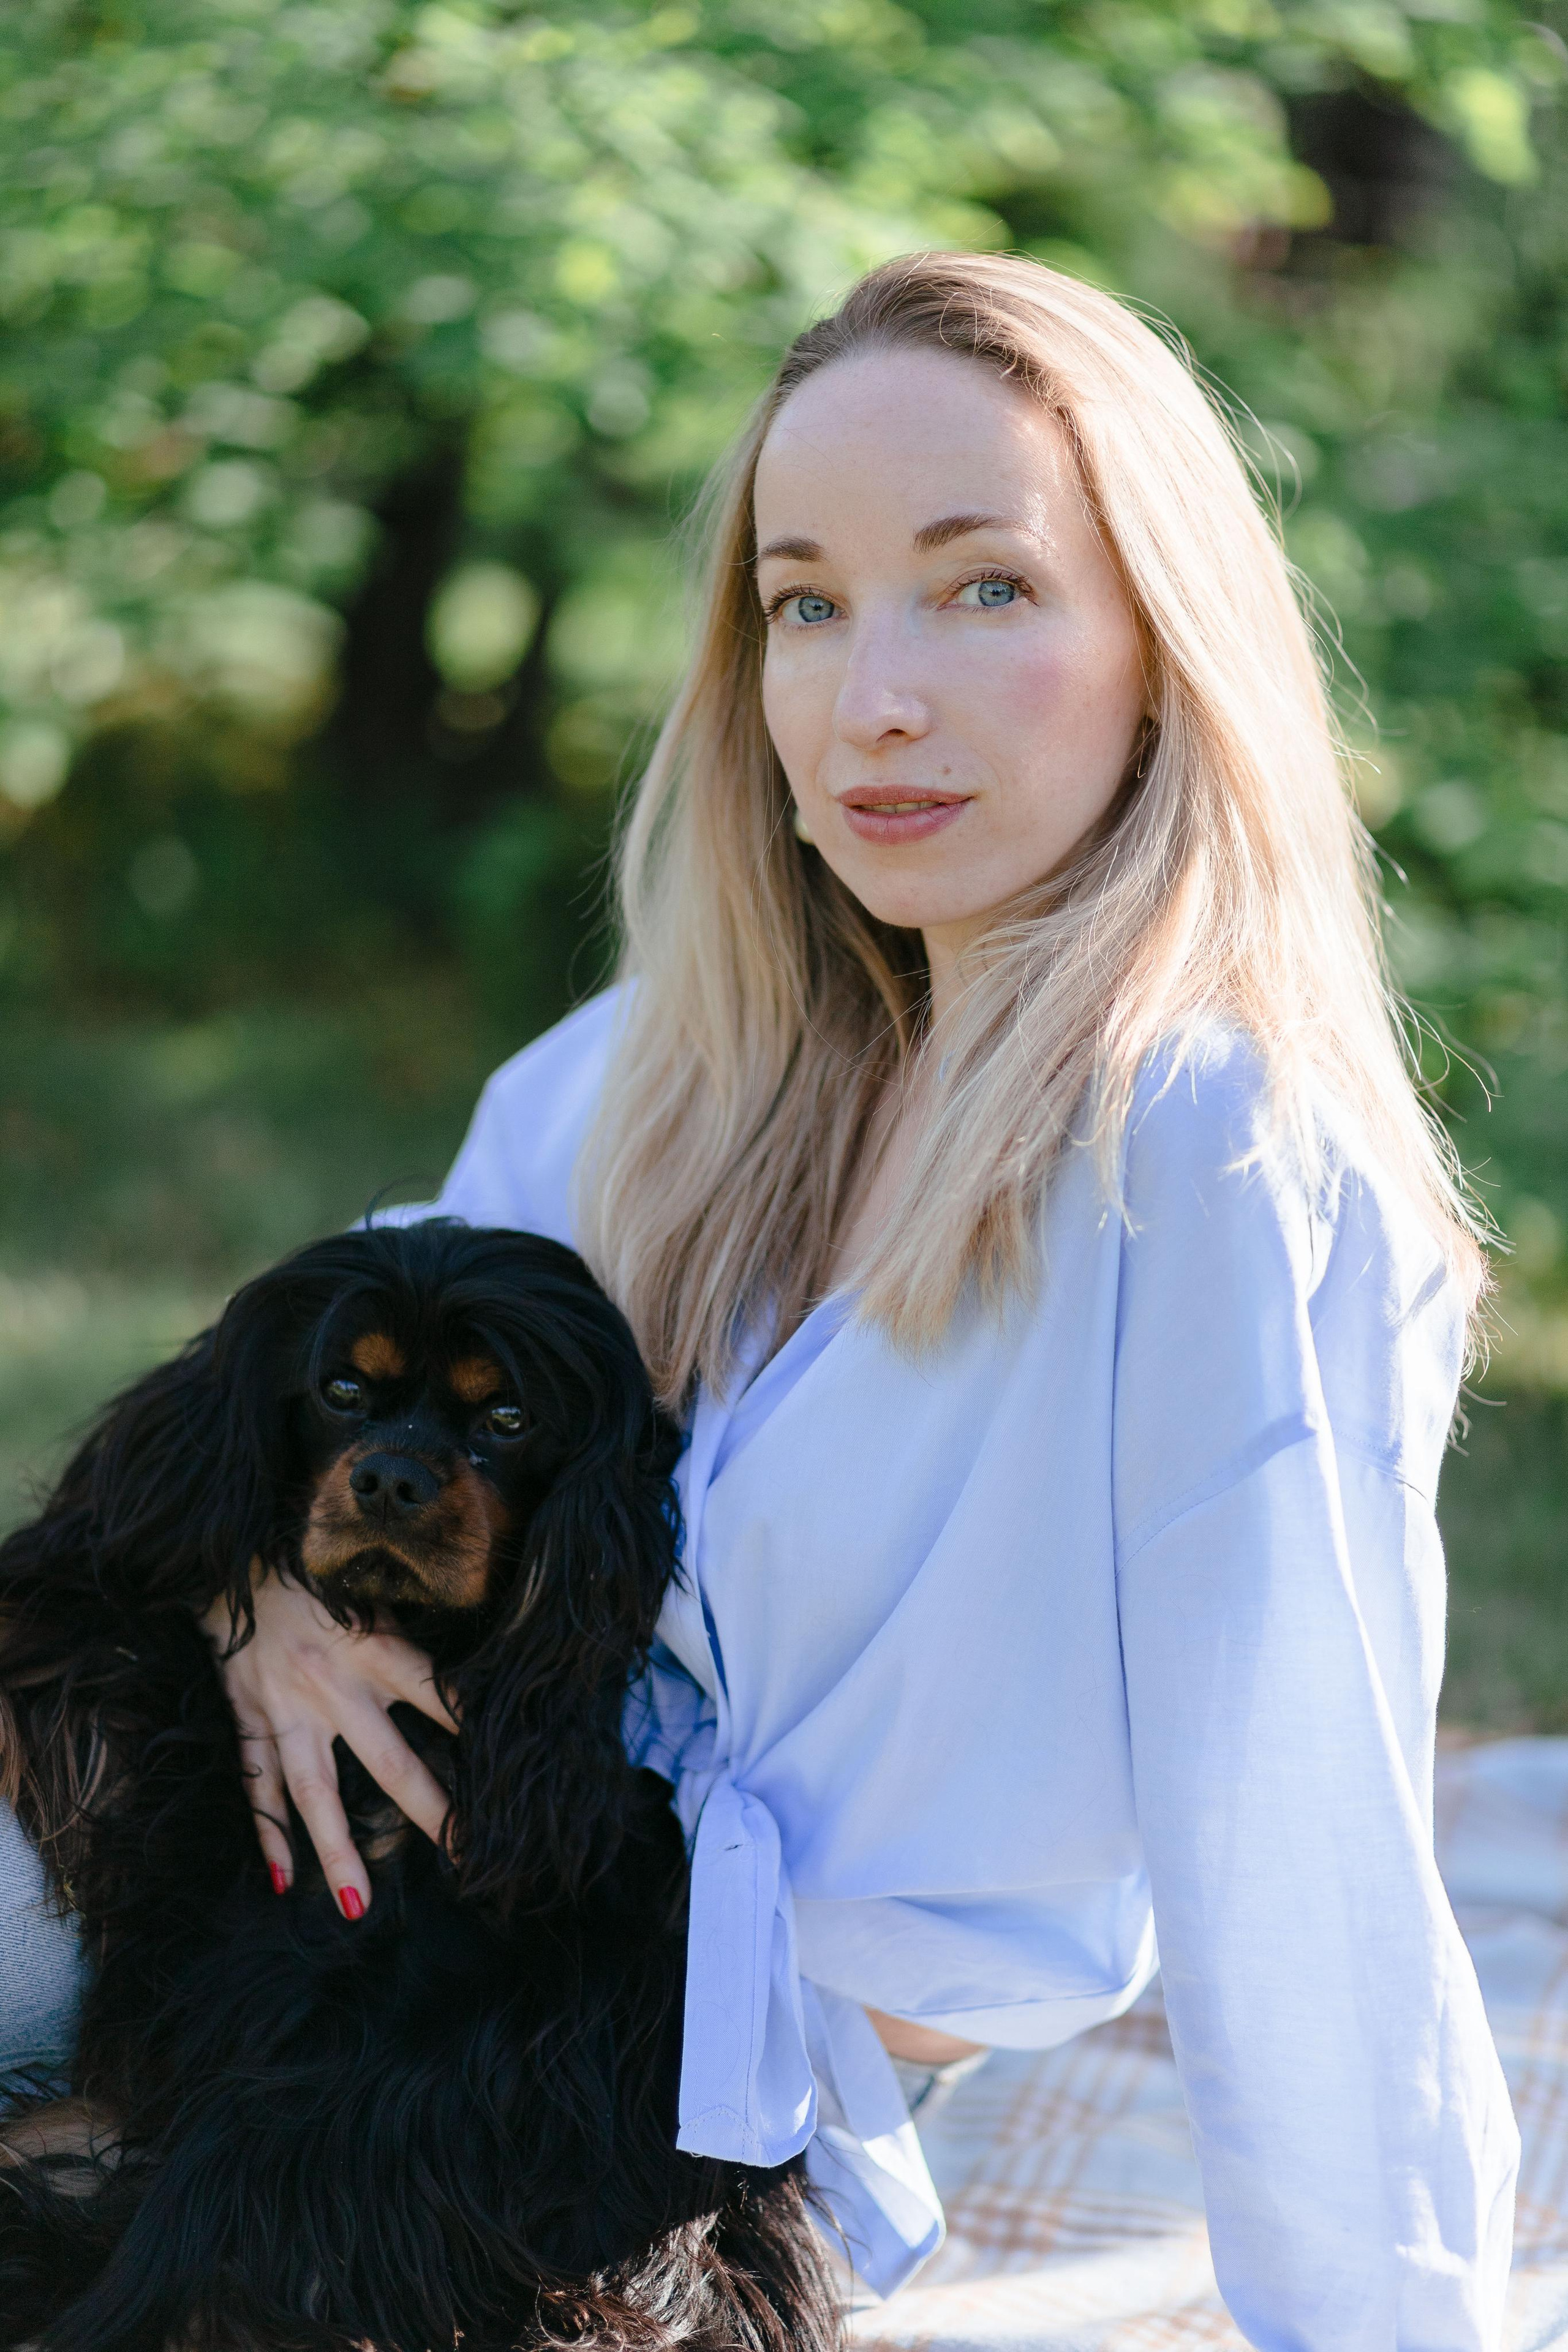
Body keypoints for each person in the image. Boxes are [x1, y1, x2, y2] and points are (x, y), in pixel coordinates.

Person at [1, 252, 1518, 2345]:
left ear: (1167, 646)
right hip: (351, 1894)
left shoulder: (1210, 1160)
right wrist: (267, 1610)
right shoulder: (673, 1068)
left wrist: (1389, 2321)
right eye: (805, 602)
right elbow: (332, 1384)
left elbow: (1304, 1825)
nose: (870, 693)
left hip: (660, 2077)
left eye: (984, 588)